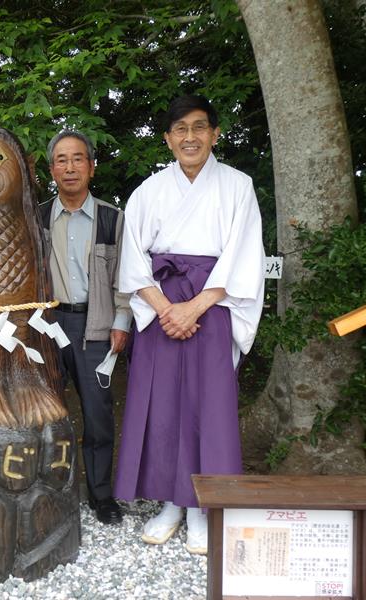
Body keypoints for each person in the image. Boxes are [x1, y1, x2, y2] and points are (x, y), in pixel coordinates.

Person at [114, 95, 265, 553]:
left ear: (215, 134)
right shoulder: (149, 191)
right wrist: (165, 309)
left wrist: (194, 307)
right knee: (162, 406)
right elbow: (133, 258)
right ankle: (170, 504)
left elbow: (244, 257)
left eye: (199, 127)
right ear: (167, 138)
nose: (190, 137)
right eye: (180, 129)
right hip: (162, 306)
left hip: (212, 309)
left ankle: (204, 506)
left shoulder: (238, 186)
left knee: (208, 407)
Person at [40, 130, 131, 525]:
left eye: (78, 159)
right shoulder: (38, 216)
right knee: (44, 413)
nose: (70, 167)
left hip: (95, 326)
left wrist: (122, 321)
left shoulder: (112, 218)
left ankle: (100, 494)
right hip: (46, 326)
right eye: (62, 160)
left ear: (92, 167)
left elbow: (125, 277)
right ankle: (48, 492)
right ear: (52, 169)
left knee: (97, 414)